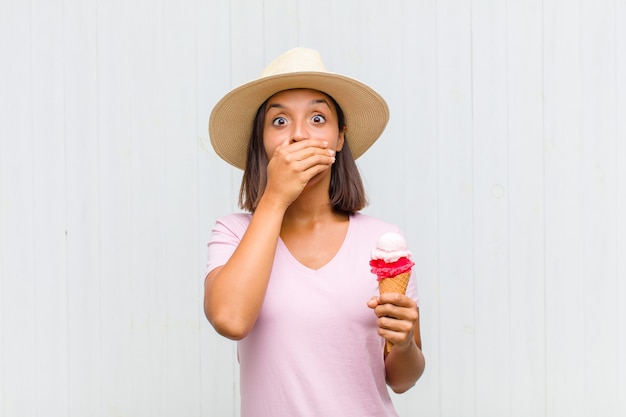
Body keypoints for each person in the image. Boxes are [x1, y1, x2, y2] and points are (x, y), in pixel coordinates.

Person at [204, 47, 425, 417]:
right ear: (262, 143)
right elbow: (230, 319)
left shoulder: (384, 243)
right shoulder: (233, 232)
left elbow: (402, 380)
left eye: (318, 118)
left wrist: (403, 345)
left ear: (340, 138)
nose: (299, 135)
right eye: (279, 122)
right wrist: (275, 197)